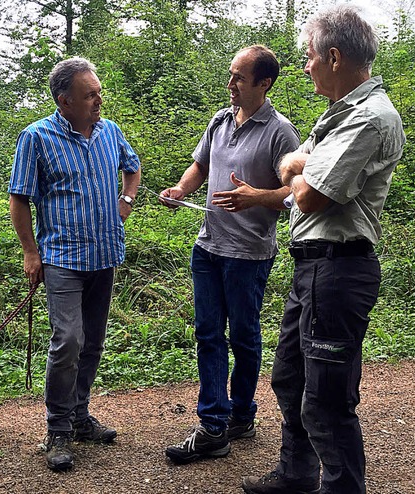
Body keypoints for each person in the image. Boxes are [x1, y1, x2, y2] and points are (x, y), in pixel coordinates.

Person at [242, 6, 405, 494]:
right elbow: (291, 170)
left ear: (334, 56)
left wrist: (300, 171)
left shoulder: (371, 119)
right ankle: (296, 475)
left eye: (310, 57)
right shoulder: (338, 114)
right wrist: (301, 168)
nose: (306, 66)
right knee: (289, 380)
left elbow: (311, 194)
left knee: (328, 400)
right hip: (313, 269)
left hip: (339, 270)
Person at [160, 45, 300, 464]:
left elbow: (296, 195)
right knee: (207, 335)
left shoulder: (281, 132)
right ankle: (214, 424)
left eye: (240, 77)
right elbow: (200, 166)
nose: (231, 84)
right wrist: (182, 190)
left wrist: (256, 196)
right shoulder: (220, 120)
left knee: (243, 336)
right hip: (208, 248)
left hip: (249, 254)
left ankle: (242, 414)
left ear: (264, 83)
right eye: (231, 75)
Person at [8, 57, 141, 471]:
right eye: (91, 95)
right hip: (62, 258)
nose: (99, 100)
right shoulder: (36, 137)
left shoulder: (110, 131)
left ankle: (80, 416)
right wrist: (31, 252)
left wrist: (126, 201)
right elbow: (19, 197)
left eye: (98, 91)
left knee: (93, 342)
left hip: (105, 255)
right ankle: (58, 428)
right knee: (68, 340)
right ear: (64, 100)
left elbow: (132, 168)